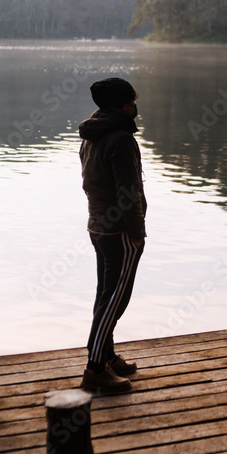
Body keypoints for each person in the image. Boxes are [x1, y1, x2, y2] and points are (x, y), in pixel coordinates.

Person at [78, 77, 146, 393]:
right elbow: (128, 193)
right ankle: (94, 370)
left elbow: (91, 183)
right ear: (123, 104)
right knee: (115, 300)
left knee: (105, 295)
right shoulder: (120, 139)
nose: (136, 105)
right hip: (119, 231)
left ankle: (106, 355)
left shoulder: (92, 135)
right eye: (133, 100)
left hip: (97, 225)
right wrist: (136, 233)